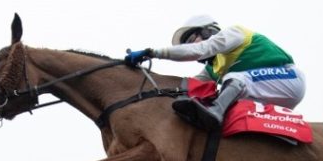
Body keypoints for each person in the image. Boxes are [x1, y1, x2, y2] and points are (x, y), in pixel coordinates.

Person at [124, 15, 306, 130]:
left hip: (289, 78)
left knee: (233, 78)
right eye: (187, 44)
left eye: (192, 39)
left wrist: (152, 53)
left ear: (208, 30)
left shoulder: (234, 33)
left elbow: (200, 49)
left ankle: (215, 112)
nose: (191, 45)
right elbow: (189, 85)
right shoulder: (213, 68)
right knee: (214, 97)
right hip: (266, 91)